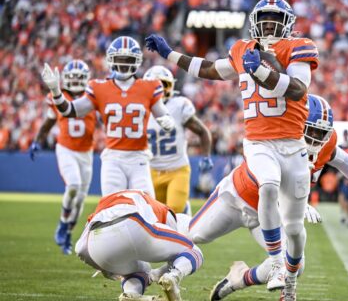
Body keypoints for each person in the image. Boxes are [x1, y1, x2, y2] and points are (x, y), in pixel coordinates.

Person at [145, 0, 317, 301]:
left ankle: (256, 277)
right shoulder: (242, 50)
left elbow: (297, 90)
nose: (268, 25)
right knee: (264, 187)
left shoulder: (298, 47)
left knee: (296, 244)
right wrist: (170, 54)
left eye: (275, 20)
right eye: (264, 19)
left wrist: (262, 71)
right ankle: (152, 259)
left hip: (289, 149)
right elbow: (209, 69)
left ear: (287, 24)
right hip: (255, 152)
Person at [173, 95, 348, 301]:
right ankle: (163, 223)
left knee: (295, 264)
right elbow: (271, 183)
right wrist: (296, 202)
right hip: (238, 198)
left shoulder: (324, 143)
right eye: (311, 131)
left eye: (321, 133)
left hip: (269, 216)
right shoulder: (280, 137)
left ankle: (239, 279)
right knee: (192, 235)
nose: (315, 138)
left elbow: (343, 160)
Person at [40, 36, 176, 197]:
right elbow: (69, 110)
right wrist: (56, 92)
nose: (123, 64)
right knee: (113, 206)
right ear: (111, 60)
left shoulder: (149, 86)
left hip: (139, 158)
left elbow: (163, 113)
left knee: (147, 205)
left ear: (137, 61)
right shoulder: (99, 87)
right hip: (113, 158)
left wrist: (168, 120)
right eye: (119, 59)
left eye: (128, 60)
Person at [75, 189, 202, 301]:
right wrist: (163, 273)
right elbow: (174, 255)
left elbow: (80, 249)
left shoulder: (106, 204)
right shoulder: (168, 213)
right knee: (193, 251)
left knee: (139, 270)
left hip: (97, 242)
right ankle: (173, 277)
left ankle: (131, 293)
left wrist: (107, 268)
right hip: (132, 222)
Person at [30, 60, 96, 254]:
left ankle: (68, 232)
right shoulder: (58, 97)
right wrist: (37, 140)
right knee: (73, 185)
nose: (75, 81)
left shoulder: (92, 96)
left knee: (80, 200)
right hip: (66, 149)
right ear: (66, 78)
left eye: (79, 77)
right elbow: (49, 122)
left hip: (87, 152)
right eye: (72, 77)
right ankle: (62, 222)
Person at [144, 65, 213, 214]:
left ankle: (184, 209)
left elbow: (202, 131)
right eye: (154, 86)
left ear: (170, 86)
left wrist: (206, 157)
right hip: (151, 170)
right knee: (154, 215)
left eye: (163, 85)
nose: (159, 89)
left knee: (174, 211)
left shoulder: (178, 105)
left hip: (177, 169)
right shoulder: (141, 109)